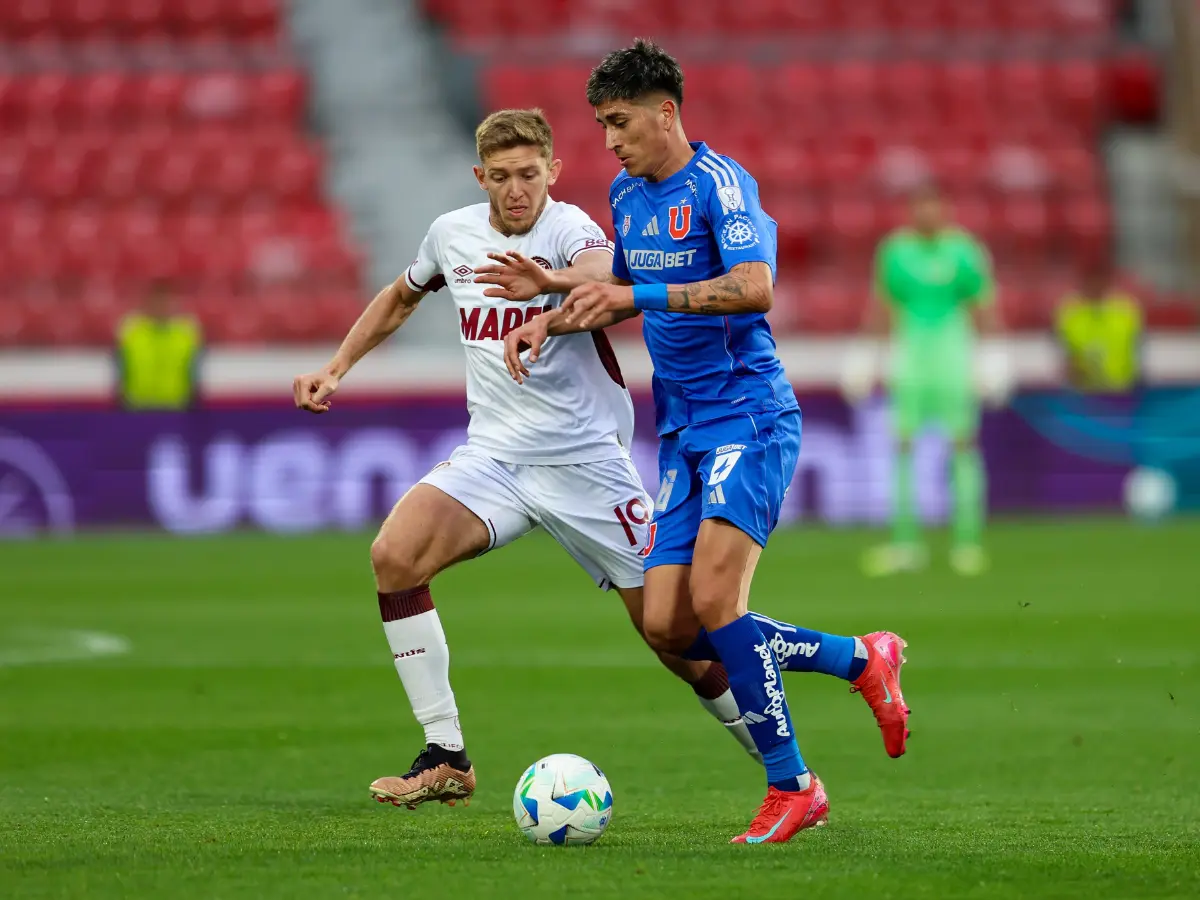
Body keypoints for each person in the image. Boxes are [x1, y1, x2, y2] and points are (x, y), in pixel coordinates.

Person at [291, 108, 860, 813]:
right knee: (394, 556)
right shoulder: (453, 234)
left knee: (677, 637)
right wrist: (337, 366)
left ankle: (787, 775)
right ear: (481, 178)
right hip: (496, 458)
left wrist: (552, 298)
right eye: (500, 177)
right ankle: (446, 754)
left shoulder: (571, 230)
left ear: (552, 172)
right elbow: (402, 295)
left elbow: (600, 276)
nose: (516, 190)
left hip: (589, 467)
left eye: (529, 174)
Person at [497, 41, 910, 844]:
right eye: (602, 126)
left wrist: (631, 290)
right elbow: (628, 282)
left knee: (720, 604)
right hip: (683, 430)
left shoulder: (722, 185)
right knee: (667, 627)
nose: (610, 142)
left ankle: (794, 786)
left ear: (666, 112)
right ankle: (861, 658)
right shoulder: (626, 193)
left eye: (619, 123)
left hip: (748, 417)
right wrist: (554, 306)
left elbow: (754, 288)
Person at [856, 183, 1001, 578]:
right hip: (911, 360)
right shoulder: (896, 252)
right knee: (903, 449)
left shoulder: (964, 251)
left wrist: (993, 358)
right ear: (912, 211)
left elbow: (983, 305)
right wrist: (867, 357)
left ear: (945, 210)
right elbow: (883, 306)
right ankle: (906, 544)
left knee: (963, 448)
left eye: (934, 207)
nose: (927, 215)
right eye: (920, 207)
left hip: (954, 358)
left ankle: (967, 543)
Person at [1055, 262, 1143, 393]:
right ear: (1084, 284)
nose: (1095, 288)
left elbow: (1138, 348)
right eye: (1091, 284)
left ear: (1107, 284)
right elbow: (1064, 351)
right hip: (1083, 390)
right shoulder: (1069, 313)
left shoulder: (1126, 310)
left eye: (1099, 283)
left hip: (1122, 388)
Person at [115, 280, 203, 410]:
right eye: (157, 302)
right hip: (137, 407)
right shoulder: (131, 332)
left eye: (166, 302)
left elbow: (194, 373)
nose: (162, 307)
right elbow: (121, 369)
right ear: (148, 303)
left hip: (176, 407)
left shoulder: (187, 334)